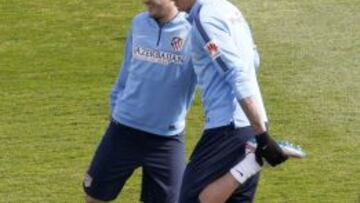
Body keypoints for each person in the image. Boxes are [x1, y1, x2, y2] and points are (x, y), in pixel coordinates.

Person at [172, 0, 288, 202]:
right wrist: (259, 130)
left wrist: (262, 136)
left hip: (229, 127)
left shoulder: (204, 18)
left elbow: (234, 72)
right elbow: (254, 60)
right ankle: (250, 163)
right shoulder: (229, 9)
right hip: (251, 123)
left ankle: (251, 162)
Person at [83, 0, 196, 202]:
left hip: (167, 138)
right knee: (94, 197)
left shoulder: (194, 29)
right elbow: (127, 68)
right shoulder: (138, 23)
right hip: (124, 128)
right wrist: (115, 103)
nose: (145, 1)